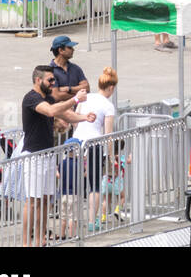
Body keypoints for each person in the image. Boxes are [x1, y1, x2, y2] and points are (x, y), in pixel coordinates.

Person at [20, 65, 96, 248]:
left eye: (54, 79)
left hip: (47, 155)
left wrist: (84, 117)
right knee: (32, 201)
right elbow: (51, 112)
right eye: (50, 80)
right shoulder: (31, 98)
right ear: (38, 80)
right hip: (33, 156)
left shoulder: (47, 97)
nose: (54, 83)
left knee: (45, 199)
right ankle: (25, 243)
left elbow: (65, 113)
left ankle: (40, 240)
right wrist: (76, 98)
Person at [73, 66, 118, 232]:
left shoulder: (86, 97)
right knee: (94, 186)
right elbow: (108, 134)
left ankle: (72, 223)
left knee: (73, 186)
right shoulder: (108, 105)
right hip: (94, 145)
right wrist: (111, 154)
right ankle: (92, 221)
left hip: (76, 142)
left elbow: (75, 120)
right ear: (111, 87)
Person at [49, 35, 89, 103]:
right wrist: (78, 95)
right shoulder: (50, 71)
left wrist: (69, 89)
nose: (73, 49)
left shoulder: (76, 68)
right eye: (70, 47)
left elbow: (87, 88)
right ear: (61, 50)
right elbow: (56, 96)